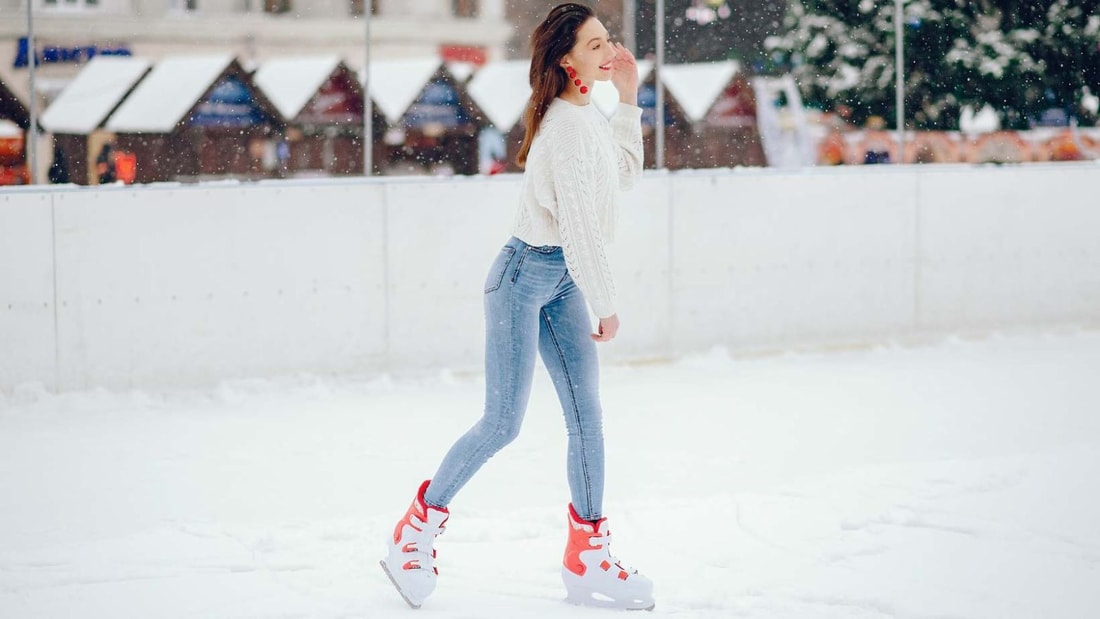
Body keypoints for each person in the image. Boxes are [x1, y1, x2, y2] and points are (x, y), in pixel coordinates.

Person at [380, 3, 654, 611]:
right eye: (595, 46)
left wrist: (629, 98)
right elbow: (582, 230)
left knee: (588, 418)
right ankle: (415, 530)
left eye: (610, 41)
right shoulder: (563, 127)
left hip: (563, 281)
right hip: (524, 276)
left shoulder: (589, 116)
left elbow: (624, 178)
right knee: (503, 423)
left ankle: (587, 554)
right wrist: (606, 303)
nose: (610, 53)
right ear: (566, 59)